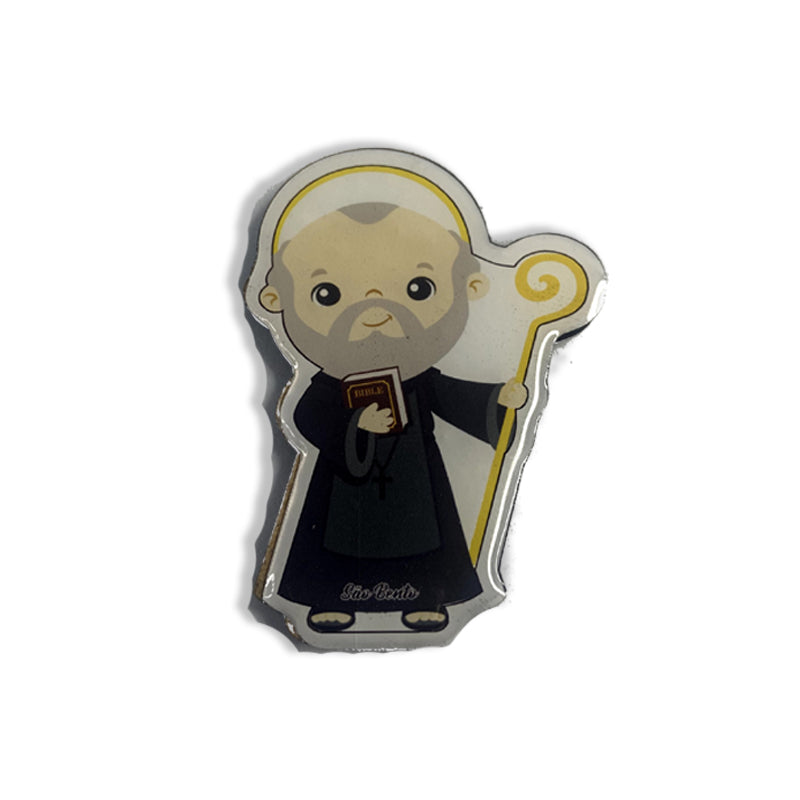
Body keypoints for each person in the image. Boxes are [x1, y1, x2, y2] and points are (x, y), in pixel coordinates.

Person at [258, 196, 527, 633]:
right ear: (275, 299)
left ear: (470, 288)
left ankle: (426, 597)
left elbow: (454, 398)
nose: (374, 310)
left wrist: (500, 399)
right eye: (328, 294)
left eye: (418, 289)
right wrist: (354, 425)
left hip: (414, 477)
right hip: (343, 484)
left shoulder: (419, 378)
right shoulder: (328, 385)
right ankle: (330, 598)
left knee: (423, 531)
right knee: (335, 535)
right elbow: (307, 417)